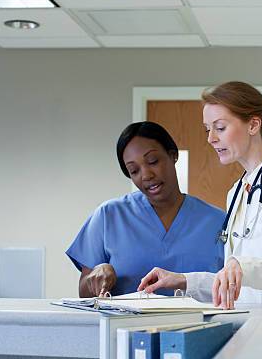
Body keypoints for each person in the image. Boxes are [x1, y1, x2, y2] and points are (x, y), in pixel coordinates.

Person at [138, 81, 262, 309]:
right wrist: (185, 280)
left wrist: (244, 267)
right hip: (250, 327)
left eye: (220, 127)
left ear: (253, 125)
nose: (211, 138)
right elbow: (237, 282)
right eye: (208, 129)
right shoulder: (237, 192)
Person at [65, 122, 225, 297]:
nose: (146, 175)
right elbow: (84, 294)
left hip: (205, 324)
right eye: (134, 171)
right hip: (126, 324)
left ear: (173, 155)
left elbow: (237, 288)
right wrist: (99, 274)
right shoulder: (109, 216)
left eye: (153, 161)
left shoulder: (218, 222)